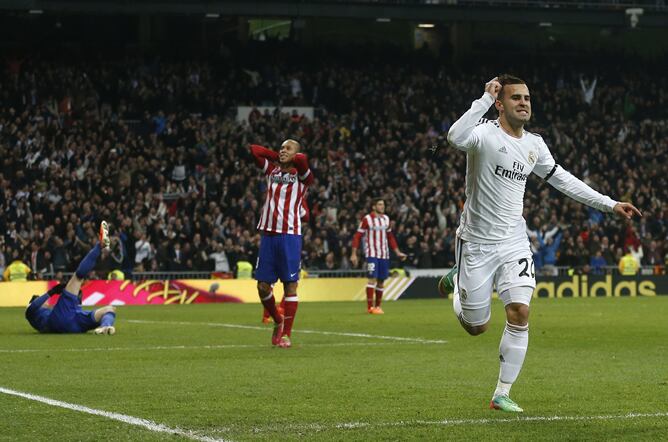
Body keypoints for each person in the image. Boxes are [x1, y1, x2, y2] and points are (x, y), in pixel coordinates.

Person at [440, 75, 641, 412]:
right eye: (516, 97)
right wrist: (484, 100)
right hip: (475, 242)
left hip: (513, 240)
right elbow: (453, 137)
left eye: (528, 98)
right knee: (477, 327)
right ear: (500, 104)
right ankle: (458, 282)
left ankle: (502, 392)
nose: (524, 103)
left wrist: (609, 204)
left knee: (520, 311)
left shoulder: (535, 144)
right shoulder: (483, 134)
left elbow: (563, 180)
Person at [250, 139, 314, 348]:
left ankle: (286, 334)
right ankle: (277, 320)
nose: (282, 150)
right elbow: (255, 151)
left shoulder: (303, 177)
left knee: (290, 286)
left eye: (288, 148)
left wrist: (292, 155)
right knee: (262, 287)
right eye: (281, 148)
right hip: (268, 235)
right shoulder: (272, 171)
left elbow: (303, 160)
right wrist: (276, 156)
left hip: (289, 235)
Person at [25, 221, 118, 335]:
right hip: (61, 320)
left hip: (74, 321)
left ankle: (105, 326)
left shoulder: (45, 315)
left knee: (110, 309)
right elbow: (33, 306)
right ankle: (100, 246)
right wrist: (51, 292)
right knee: (77, 277)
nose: (46, 302)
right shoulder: (34, 312)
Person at [350, 198, 407, 314]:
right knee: (372, 279)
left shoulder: (386, 219)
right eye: (380, 204)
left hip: (384, 254)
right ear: (373, 206)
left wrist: (397, 252)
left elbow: (390, 237)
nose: (382, 206)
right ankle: (370, 307)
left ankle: (378, 307)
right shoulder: (367, 219)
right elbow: (357, 236)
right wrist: (353, 254)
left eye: (383, 204)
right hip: (372, 254)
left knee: (381, 281)